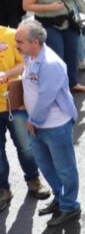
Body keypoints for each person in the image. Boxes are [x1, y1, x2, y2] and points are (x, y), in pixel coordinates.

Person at [15, 18, 81, 226]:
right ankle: (60, 198)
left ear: (35, 42)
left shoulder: (50, 63)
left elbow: (46, 97)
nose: (17, 45)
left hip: (54, 125)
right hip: (37, 124)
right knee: (46, 166)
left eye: (20, 42)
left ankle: (70, 206)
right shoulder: (30, 58)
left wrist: (33, 120)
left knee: (64, 168)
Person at [22, 0, 85, 93]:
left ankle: (72, 83)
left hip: (69, 21)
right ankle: (59, 87)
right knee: (57, 56)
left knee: (72, 54)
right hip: (49, 24)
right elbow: (26, 6)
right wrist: (50, 7)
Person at [0, 22, 50, 211]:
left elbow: (26, 62)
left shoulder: (11, 35)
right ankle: (3, 189)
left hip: (14, 102)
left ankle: (33, 180)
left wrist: (6, 74)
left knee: (26, 147)